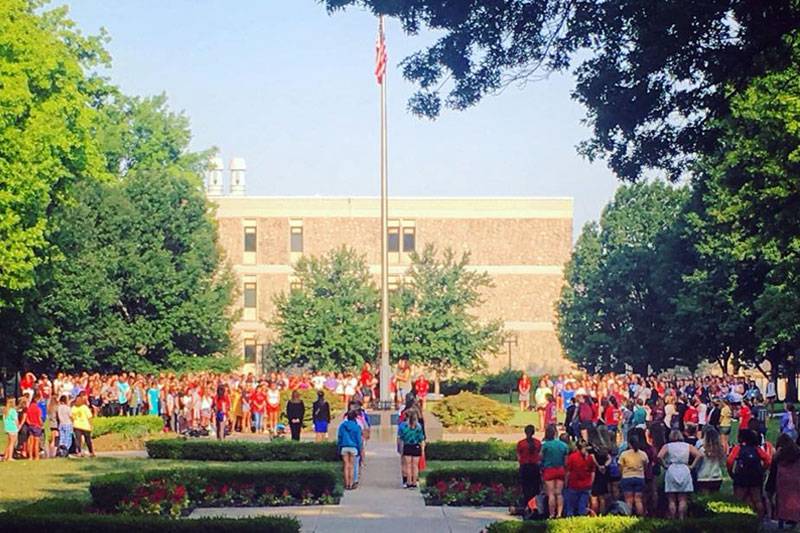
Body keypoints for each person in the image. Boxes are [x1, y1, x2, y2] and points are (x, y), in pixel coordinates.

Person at [658, 429, 702, 519]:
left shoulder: (667, 446)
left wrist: (665, 465)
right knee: (683, 499)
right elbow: (699, 455)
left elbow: (659, 456)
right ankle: (682, 518)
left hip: (672, 469)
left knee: (671, 499)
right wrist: (692, 466)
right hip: (684, 469)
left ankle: (673, 517)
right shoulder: (687, 446)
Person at [727, 428, 770, 518]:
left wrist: (731, 473)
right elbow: (767, 460)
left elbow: (730, 461)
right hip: (756, 476)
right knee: (757, 500)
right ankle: (760, 519)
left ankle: (737, 518)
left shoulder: (738, 448)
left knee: (739, 500)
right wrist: (763, 469)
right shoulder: (757, 449)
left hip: (741, 476)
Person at [540, 424, 569, 518]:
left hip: (549, 470)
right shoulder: (563, 445)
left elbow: (540, 457)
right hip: (560, 469)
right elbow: (566, 461)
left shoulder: (545, 445)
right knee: (559, 493)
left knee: (551, 494)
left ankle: (552, 514)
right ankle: (559, 513)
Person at [772, 433, 800, 529]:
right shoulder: (797, 453)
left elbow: (773, 471)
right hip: (796, 481)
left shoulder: (779, 456)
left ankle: (781, 524)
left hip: (782, 482)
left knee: (781, 504)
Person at [619, 434, 648, 516]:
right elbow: (645, 466)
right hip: (639, 477)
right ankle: (641, 517)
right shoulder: (643, 454)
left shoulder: (624, 454)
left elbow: (620, 467)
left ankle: (628, 517)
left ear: (629, 444)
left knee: (629, 500)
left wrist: (621, 476)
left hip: (627, 477)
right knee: (638, 500)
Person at [564, 439, 595, 517]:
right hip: (586, 485)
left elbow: (568, 471)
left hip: (573, 484)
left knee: (570, 505)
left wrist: (565, 482)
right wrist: (591, 482)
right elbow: (593, 471)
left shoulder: (572, 457)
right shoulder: (590, 457)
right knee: (582, 506)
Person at [398, 411, 425, 489]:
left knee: (408, 466)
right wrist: (422, 449)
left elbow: (401, 438)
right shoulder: (418, 427)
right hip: (416, 446)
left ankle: (408, 482)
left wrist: (400, 449)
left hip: (407, 446)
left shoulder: (404, 426)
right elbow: (421, 438)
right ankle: (414, 482)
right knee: (415, 466)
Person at [516, 424, 542, 509]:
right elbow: (540, 455)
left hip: (525, 467)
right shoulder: (538, 443)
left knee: (526, 487)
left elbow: (519, 456)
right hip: (535, 467)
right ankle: (534, 505)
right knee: (535, 487)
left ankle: (526, 504)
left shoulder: (521, 443)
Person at [337, 410, 362, 490]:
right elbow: (359, 439)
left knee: (346, 465)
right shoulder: (357, 427)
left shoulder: (342, 426)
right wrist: (359, 449)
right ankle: (351, 484)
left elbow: (339, 437)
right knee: (352, 466)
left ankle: (346, 483)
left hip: (344, 446)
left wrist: (339, 447)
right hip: (353, 447)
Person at [695, 426, 725, 493]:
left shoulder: (701, 449)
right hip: (716, 476)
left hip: (703, 476)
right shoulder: (719, 449)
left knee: (704, 499)